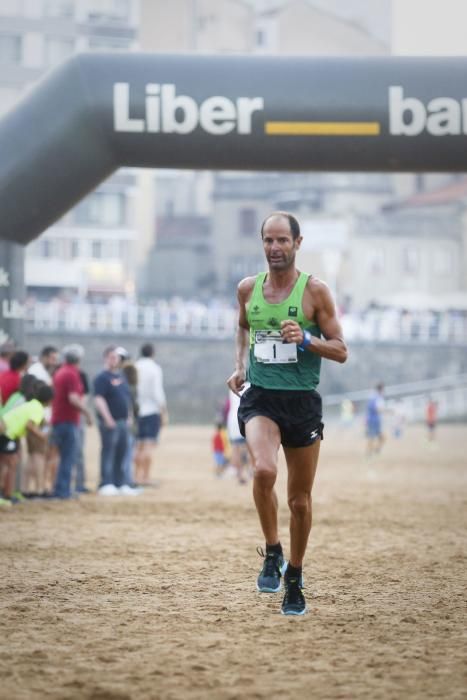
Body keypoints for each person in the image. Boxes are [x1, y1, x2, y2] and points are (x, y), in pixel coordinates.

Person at [227, 211, 347, 616]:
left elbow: (341, 350)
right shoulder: (248, 289)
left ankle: (294, 574)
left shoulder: (315, 292)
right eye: (268, 240)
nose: (274, 248)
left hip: (301, 402)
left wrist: (308, 340)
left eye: (282, 241)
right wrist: (240, 365)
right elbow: (243, 328)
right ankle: (272, 551)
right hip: (261, 397)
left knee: (299, 501)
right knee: (263, 471)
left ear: (297, 244)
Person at [51, 345, 93, 499]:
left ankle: (62, 488)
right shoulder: (71, 374)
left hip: (61, 419)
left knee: (62, 457)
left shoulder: (61, 371)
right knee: (68, 457)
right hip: (67, 420)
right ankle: (63, 491)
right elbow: (73, 398)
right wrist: (87, 413)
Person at [94, 346, 137, 495]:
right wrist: (107, 418)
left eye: (116, 358)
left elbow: (127, 399)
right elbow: (99, 399)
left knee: (122, 452)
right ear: (105, 358)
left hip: (123, 421)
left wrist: (129, 416)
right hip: (110, 422)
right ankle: (106, 482)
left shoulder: (121, 377)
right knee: (109, 452)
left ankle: (121, 483)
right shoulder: (102, 378)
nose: (114, 360)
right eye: (111, 357)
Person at [0, 383, 53, 503]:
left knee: (7, 463)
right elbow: (29, 425)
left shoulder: (33, 404)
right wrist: (42, 436)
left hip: (6, 430)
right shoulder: (38, 408)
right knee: (9, 463)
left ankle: (7, 494)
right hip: (7, 432)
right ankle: (5, 495)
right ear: (49, 400)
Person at [134, 343, 168, 486]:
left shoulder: (135, 366)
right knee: (148, 446)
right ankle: (145, 477)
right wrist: (163, 410)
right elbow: (157, 392)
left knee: (138, 446)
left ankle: (135, 475)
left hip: (137, 410)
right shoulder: (154, 368)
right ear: (152, 353)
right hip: (151, 410)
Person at [226, 389, 251, 484]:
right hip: (247, 417)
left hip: (233, 420)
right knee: (250, 449)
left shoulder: (233, 384)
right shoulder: (251, 383)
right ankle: (250, 472)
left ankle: (240, 475)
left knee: (236, 449)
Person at [365, 383, 385, 456]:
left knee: (380, 438)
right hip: (373, 421)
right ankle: (369, 453)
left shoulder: (373, 397)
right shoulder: (377, 398)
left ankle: (375, 451)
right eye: (383, 389)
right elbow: (377, 409)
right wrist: (387, 411)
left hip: (373, 420)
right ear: (381, 389)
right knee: (372, 438)